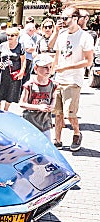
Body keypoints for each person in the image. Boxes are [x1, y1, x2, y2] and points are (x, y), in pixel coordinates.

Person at [52, 7, 94, 151]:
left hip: (73, 80)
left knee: (70, 114)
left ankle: (77, 133)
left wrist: (67, 68)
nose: (62, 21)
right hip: (59, 79)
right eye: (61, 18)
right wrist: (52, 73)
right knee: (58, 113)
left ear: (75, 18)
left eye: (65, 18)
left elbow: (89, 61)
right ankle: (57, 140)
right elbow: (57, 56)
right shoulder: (62, 34)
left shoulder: (85, 37)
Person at [19, 54, 57, 140]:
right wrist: (38, 107)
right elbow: (22, 103)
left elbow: (54, 97)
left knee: (46, 146)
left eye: (50, 67)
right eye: (44, 67)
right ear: (36, 69)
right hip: (30, 122)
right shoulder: (29, 85)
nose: (48, 70)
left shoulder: (53, 84)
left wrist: (52, 105)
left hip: (45, 122)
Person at [0, 27, 26, 111]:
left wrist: (21, 72)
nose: (10, 37)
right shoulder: (3, 45)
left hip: (14, 74)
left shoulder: (20, 46)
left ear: (17, 36)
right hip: (3, 73)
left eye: (12, 35)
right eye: (8, 35)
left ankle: (5, 111)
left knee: (10, 95)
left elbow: (23, 60)